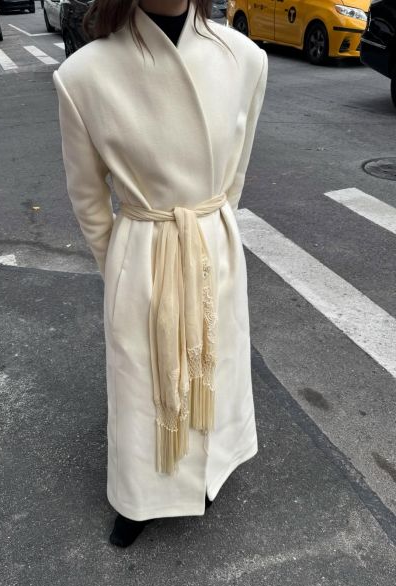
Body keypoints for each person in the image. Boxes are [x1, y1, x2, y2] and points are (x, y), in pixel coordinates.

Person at [53, 0, 268, 547]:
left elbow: (236, 172)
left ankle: (210, 468)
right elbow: (88, 197)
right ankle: (141, 495)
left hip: (210, 244)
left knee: (213, 360)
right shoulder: (84, 75)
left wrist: (213, 232)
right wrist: (121, 265)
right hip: (143, 250)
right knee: (141, 377)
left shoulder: (245, 58)